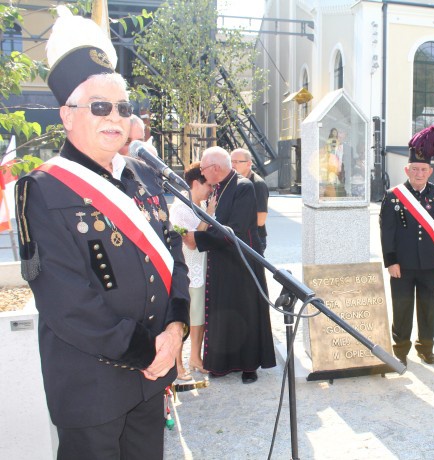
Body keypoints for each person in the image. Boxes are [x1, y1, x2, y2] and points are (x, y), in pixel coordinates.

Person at [15, 11, 190, 459]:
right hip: (91, 388)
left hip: (149, 382)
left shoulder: (143, 178)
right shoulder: (42, 190)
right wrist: (150, 351)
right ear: (67, 115)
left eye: (123, 108)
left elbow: (173, 258)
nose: (115, 118)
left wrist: (175, 327)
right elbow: (67, 303)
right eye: (99, 107)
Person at [193, 146, 276, 383]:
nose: (202, 172)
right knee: (222, 312)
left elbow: (235, 230)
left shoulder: (244, 187)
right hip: (221, 259)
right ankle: (222, 363)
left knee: (245, 312)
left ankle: (249, 365)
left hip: (242, 263)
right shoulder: (218, 187)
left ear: (215, 168)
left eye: (203, 168)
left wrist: (198, 239)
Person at [379, 125, 434, 365]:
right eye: (414, 169)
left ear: (430, 171)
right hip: (403, 264)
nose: (419, 173)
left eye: (423, 169)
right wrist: (391, 262)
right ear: (406, 169)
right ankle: (400, 350)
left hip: (431, 264)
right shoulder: (393, 196)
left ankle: (425, 348)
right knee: (402, 309)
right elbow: (386, 232)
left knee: (428, 308)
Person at [169, 163, 215, 377]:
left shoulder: (203, 202)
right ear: (196, 183)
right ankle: (178, 364)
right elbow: (191, 242)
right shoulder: (180, 208)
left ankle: (195, 358)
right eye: (208, 185)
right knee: (184, 318)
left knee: (199, 318)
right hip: (188, 269)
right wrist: (208, 215)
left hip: (203, 267)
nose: (211, 190)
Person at [230, 148, 269, 251]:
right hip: (236, 236)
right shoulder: (233, 180)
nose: (232, 165)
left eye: (236, 162)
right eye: (231, 161)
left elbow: (261, 220)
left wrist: (237, 222)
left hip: (253, 238)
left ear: (248, 163)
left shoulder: (258, 184)